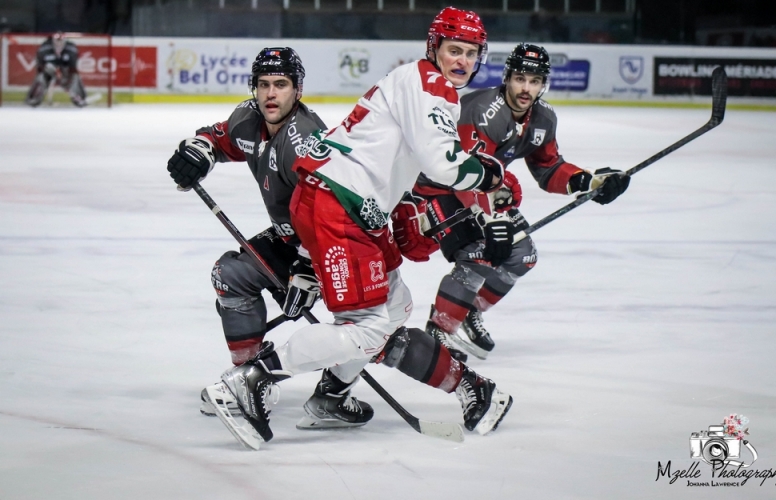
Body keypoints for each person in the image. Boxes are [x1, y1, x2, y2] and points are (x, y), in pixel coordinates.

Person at [201, 7, 513, 447]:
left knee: (396, 307)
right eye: (453, 50)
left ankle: (332, 395)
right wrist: (487, 178)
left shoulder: (418, 83)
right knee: (367, 327)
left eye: (470, 53)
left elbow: (425, 162)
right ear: (434, 49)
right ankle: (251, 380)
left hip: (349, 206)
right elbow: (442, 164)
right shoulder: (430, 85)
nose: (460, 60)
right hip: (341, 207)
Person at [167, 47, 378, 430]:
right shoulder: (249, 119)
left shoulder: (305, 141)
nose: (270, 94)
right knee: (230, 275)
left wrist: (311, 268)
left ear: (297, 90)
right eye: (263, 85)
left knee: (367, 325)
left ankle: (334, 393)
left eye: (280, 85)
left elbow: (332, 214)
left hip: (338, 249)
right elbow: (220, 139)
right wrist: (200, 151)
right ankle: (247, 381)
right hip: (293, 242)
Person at [392, 43, 631, 361]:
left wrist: (589, 181)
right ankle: (440, 330)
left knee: (523, 254)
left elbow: (549, 169)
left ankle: (468, 311)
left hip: (483, 192)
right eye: (520, 78)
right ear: (507, 78)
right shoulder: (482, 111)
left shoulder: (543, 118)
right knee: (480, 252)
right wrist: (491, 221)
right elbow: (462, 173)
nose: (526, 88)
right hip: (434, 190)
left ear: (543, 84)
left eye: (534, 81)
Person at [25, 32, 87, 107]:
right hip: (48, 71)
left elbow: (73, 68)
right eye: (57, 41)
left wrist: (65, 80)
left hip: (65, 72)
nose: (59, 43)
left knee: (75, 78)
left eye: (61, 41)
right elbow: (40, 66)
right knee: (40, 78)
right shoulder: (44, 48)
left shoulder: (71, 49)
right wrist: (48, 70)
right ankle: (34, 98)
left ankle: (79, 97)